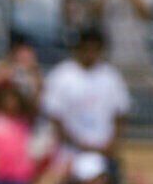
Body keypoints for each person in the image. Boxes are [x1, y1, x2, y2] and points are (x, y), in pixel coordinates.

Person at [41, 27, 130, 158]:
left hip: (104, 150)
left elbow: (120, 114)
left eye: (95, 49)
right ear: (78, 48)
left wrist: (111, 144)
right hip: (69, 152)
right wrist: (78, 144)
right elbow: (54, 116)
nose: (90, 53)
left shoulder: (111, 76)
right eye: (86, 48)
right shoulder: (61, 75)